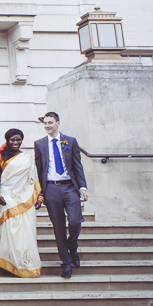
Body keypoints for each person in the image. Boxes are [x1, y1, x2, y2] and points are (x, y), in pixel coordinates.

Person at [34, 112, 88, 279]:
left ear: (58, 123)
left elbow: (77, 166)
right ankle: (66, 263)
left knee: (75, 221)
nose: (47, 125)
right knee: (58, 228)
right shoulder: (39, 144)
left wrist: (83, 187)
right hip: (51, 189)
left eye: (50, 122)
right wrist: (40, 193)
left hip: (70, 187)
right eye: (45, 123)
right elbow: (38, 169)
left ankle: (73, 245)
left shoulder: (69, 141)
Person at [0, 128, 41, 278]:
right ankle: (9, 260)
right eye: (12, 139)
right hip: (7, 195)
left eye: (18, 139)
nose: (15, 142)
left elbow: (33, 178)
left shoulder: (26, 157)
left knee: (25, 228)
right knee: (11, 227)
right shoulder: (0, 155)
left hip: (24, 195)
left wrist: (39, 197)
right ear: (7, 140)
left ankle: (24, 262)